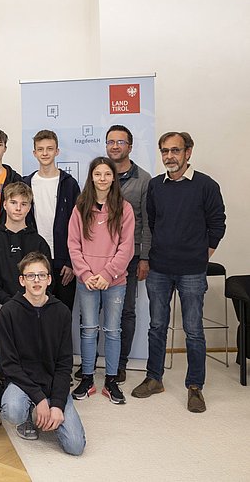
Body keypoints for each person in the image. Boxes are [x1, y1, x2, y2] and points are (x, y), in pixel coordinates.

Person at [131, 132, 226, 413]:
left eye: (175, 150)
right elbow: (153, 221)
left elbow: (217, 225)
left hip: (192, 271)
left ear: (188, 152)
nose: (169, 156)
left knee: (193, 330)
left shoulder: (206, 185)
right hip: (160, 269)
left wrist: (201, 256)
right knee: (157, 326)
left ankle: (194, 386)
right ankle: (154, 378)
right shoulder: (157, 187)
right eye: (164, 151)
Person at [0, 182, 51, 423]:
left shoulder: (39, 242)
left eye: (24, 204)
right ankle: (5, 383)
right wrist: (13, 304)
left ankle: (40, 383)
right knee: (1, 320)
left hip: (35, 302)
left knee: (45, 321)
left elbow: (45, 281)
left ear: (30, 208)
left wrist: (28, 304)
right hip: (1, 303)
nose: (18, 208)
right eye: (14, 203)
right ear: (5, 205)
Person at [0, 252, 86, 456]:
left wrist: (56, 404)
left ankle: (48, 414)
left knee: (75, 446)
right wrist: (39, 399)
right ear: (22, 280)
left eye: (41, 275)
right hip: (22, 383)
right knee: (12, 409)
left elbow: (65, 365)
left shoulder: (62, 312)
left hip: (53, 384)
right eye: (30, 276)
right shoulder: (9, 312)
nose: (36, 280)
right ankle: (29, 415)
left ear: (49, 279)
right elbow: (9, 365)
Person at [68, 157, 134, 404]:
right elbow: (73, 245)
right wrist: (85, 274)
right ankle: (87, 378)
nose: (103, 179)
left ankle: (111, 380)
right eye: (98, 174)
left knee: (113, 331)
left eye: (107, 174)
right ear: (91, 177)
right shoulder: (80, 207)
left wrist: (107, 274)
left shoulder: (124, 209)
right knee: (88, 330)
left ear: (113, 178)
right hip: (87, 282)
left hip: (114, 282)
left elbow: (126, 248)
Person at [101, 124, 153, 383]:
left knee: (126, 311)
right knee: (95, 310)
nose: (115, 146)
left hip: (129, 258)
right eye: (111, 142)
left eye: (120, 142)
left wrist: (144, 257)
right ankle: (94, 362)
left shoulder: (144, 180)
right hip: (98, 257)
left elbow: (146, 221)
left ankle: (120, 363)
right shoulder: (99, 176)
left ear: (130, 147)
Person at [23, 129, 80, 310]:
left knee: (62, 314)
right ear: (34, 153)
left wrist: (71, 262)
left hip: (63, 264)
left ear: (57, 151)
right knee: (34, 316)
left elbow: (79, 226)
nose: (45, 153)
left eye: (49, 148)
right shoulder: (26, 183)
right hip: (35, 262)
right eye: (40, 149)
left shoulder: (69, 184)